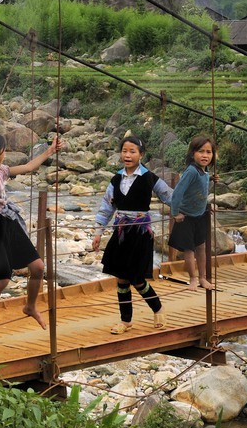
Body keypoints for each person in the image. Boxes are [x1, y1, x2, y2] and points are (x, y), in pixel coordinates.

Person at [0, 129, 61, 340]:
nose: (5, 155)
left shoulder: (0, 171)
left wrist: (50, 151)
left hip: (9, 222)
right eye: (3, 152)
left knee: (37, 267)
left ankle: (30, 306)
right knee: (3, 279)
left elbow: (28, 167)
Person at [91, 135, 173, 334]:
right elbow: (106, 207)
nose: (127, 155)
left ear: (141, 155)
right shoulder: (116, 179)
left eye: (132, 151)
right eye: (125, 151)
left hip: (140, 234)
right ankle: (126, 320)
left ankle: (158, 308)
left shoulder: (149, 178)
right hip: (121, 233)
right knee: (121, 278)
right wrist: (98, 232)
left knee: (137, 278)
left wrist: (187, 209)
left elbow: (169, 196)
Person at [168, 135, 215, 290]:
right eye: (201, 151)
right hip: (186, 216)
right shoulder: (191, 171)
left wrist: (212, 182)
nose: (205, 155)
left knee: (201, 247)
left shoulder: (205, 170)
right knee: (189, 250)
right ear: (193, 153)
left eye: (208, 152)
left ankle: (202, 277)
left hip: (200, 215)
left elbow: (201, 191)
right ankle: (193, 278)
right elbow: (177, 194)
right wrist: (175, 213)